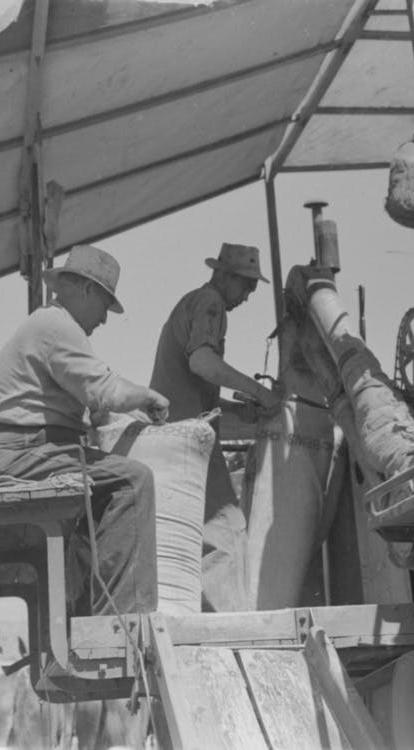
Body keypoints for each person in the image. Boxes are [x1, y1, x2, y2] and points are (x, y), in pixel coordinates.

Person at [0, 244, 169, 617]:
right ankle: (122, 619)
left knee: (102, 494)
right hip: (18, 451)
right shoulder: (57, 327)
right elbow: (106, 390)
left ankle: (86, 611)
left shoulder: (50, 326)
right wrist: (146, 396)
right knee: (133, 481)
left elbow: (87, 400)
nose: (105, 319)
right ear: (87, 289)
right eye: (105, 304)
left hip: (24, 448)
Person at [149, 242, 282, 611]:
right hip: (187, 442)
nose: (248, 296)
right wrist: (258, 391)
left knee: (210, 536)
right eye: (246, 286)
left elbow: (190, 389)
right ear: (224, 276)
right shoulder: (210, 302)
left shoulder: (191, 302)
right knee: (226, 532)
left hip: (175, 435)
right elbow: (203, 363)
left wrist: (234, 408)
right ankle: (230, 628)